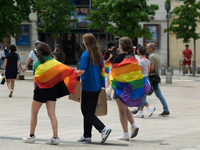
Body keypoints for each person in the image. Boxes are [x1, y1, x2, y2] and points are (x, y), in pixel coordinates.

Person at [23, 42, 77, 145]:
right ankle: (55, 137)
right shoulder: (54, 61)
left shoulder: (37, 63)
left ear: (38, 52)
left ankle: (31, 136)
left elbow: (36, 80)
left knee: (34, 112)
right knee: (52, 114)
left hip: (41, 90)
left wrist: (36, 90)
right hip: (53, 90)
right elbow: (63, 71)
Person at [77, 33, 111, 143]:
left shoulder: (85, 54)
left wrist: (69, 74)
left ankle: (103, 128)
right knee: (90, 112)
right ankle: (87, 136)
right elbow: (102, 69)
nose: (82, 42)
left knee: (86, 112)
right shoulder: (98, 54)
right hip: (96, 86)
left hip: (88, 87)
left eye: (83, 40)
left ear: (86, 42)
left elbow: (81, 71)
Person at [112, 37, 141, 141]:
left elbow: (114, 73)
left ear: (120, 46)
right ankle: (133, 125)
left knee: (121, 111)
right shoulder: (133, 57)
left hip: (120, 87)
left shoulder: (118, 58)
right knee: (125, 108)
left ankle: (125, 133)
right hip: (130, 86)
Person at [146, 43, 170, 115]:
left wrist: (148, 74)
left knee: (144, 93)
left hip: (152, 78)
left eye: (147, 47)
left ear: (150, 48)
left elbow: (151, 67)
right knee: (157, 94)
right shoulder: (156, 56)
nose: (146, 49)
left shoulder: (151, 56)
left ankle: (138, 110)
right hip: (156, 78)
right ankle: (166, 109)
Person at [133, 46, 156, 118]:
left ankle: (149, 107)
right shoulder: (147, 60)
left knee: (139, 97)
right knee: (143, 97)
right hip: (147, 79)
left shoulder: (141, 61)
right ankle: (140, 112)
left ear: (138, 52)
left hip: (142, 79)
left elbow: (139, 72)